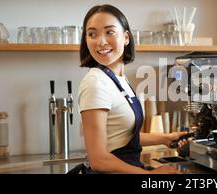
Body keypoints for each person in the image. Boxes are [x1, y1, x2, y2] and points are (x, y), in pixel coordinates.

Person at [75, 4, 189, 174]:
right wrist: (149, 175)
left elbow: (121, 136)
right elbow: (98, 159)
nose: (101, 41)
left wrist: (165, 138)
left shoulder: (118, 80)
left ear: (126, 37)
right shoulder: (95, 83)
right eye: (92, 34)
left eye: (109, 32)